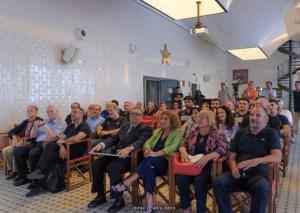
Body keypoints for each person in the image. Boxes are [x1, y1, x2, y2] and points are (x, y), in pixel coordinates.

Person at [213, 106, 282, 213]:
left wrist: (255, 161)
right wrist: (233, 168)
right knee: (218, 182)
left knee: (262, 188)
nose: (253, 117)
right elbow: (232, 157)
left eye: (258, 115)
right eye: (252, 115)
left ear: (266, 119)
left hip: (258, 176)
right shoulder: (240, 133)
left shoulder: (271, 133)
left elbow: (277, 157)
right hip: (238, 175)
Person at [111, 110, 182, 213]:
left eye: (165, 119)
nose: (162, 121)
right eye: (161, 118)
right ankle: (150, 206)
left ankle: (127, 182)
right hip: (151, 162)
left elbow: (174, 147)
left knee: (149, 161)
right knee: (149, 169)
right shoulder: (158, 131)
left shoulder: (177, 132)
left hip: (166, 162)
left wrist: (155, 154)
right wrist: (147, 149)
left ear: (173, 121)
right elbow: (147, 142)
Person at [87, 107, 152, 212]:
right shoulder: (125, 126)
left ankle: (118, 199)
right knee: (96, 164)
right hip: (117, 154)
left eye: (137, 114)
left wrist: (130, 148)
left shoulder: (145, 128)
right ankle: (100, 195)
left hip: (132, 158)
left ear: (142, 116)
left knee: (113, 167)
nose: (134, 116)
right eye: (132, 114)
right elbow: (114, 138)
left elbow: (141, 141)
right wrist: (102, 144)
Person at [26, 107, 91, 197]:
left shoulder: (85, 126)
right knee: (50, 145)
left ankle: (40, 182)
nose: (72, 114)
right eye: (71, 112)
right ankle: (40, 174)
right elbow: (61, 138)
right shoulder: (71, 126)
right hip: (64, 149)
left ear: (81, 114)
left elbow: (77, 138)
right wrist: (61, 146)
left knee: (49, 157)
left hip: (75, 152)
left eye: (75, 112)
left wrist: (63, 142)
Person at [176, 110, 229, 213]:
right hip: (192, 164)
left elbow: (224, 148)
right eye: (198, 117)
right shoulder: (193, 132)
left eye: (202, 117)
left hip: (208, 165)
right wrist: (182, 151)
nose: (198, 119)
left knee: (199, 181)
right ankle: (186, 206)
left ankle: (201, 210)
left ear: (209, 120)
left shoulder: (217, 132)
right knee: (180, 178)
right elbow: (182, 143)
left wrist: (208, 157)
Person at [13, 105, 66, 189]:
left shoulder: (61, 122)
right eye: (47, 111)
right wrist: (34, 126)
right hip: (36, 142)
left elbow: (53, 137)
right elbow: (33, 135)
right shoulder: (45, 120)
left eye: (51, 111)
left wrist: (44, 125)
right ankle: (25, 176)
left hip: (48, 145)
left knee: (33, 153)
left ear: (57, 111)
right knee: (17, 151)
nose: (49, 113)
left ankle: (35, 180)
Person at [3, 105, 42, 183]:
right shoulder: (25, 122)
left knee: (16, 150)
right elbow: (12, 131)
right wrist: (14, 137)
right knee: (6, 150)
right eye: (27, 110)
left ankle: (19, 173)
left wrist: (23, 141)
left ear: (36, 112)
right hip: (20, 142)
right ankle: (14, 172)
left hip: (32, 143)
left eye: (31, 110)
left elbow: (39, 136)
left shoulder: (40, 121)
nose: (29, 112)